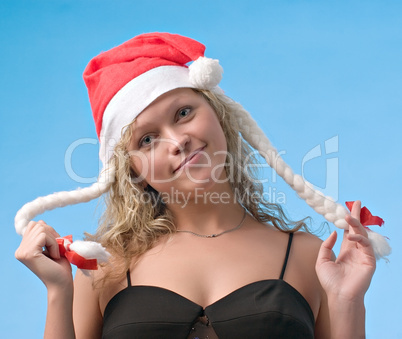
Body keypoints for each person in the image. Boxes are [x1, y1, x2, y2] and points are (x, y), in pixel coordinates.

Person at [15, 32, 388, 338]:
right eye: (146, 139)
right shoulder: (103, 266)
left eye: (183, 113)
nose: (177, 141)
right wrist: (58, 292)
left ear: (219, 115)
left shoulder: (311, 259)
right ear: (133, 170)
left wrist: (347, 301)